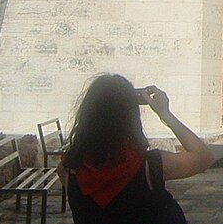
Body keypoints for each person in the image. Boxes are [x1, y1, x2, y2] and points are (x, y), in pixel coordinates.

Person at [60, 74, 214, 223]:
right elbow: (204, 157)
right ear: (130, 117)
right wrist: (165, 114)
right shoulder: (150, 166)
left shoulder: (68, 169)